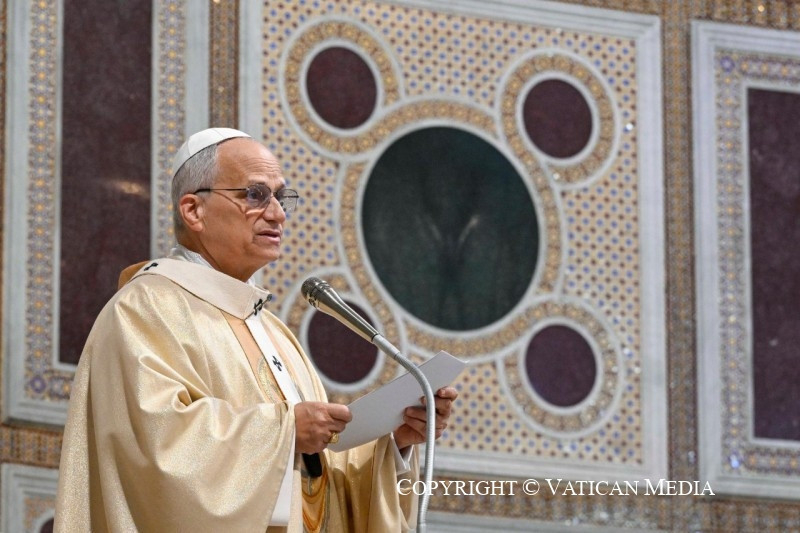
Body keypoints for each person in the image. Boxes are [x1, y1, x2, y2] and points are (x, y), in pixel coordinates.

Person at [54, 127, 458, 532]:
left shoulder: (274, 333)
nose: (278, 214)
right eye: (255, 195)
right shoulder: (146, 308)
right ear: (193, 211)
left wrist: (396, 441)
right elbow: (155, 448)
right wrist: (285, 431)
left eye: (281, 197)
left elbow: (317, 485)